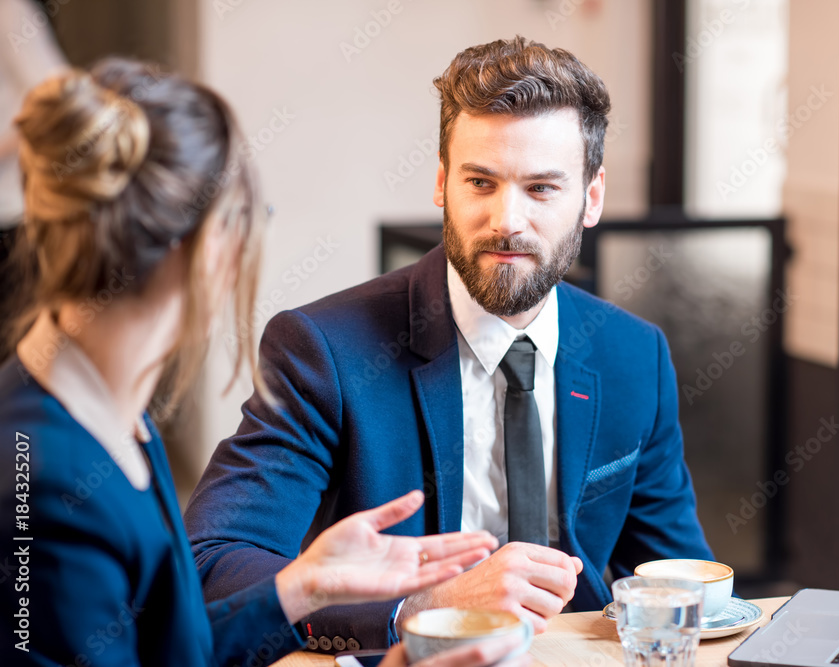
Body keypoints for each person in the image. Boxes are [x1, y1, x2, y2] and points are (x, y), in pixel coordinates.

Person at [184, 36, 714, 653]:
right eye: (481, 182)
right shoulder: (324, 350)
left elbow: (680, 580)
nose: (507, 219)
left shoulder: (633, 355)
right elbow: (209, 566)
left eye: (541, 188)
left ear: (591, 198)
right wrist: (419, 607)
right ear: (442, 184)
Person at [0, 58, 512, 667]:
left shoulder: (109, 414)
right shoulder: (46, 483)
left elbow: (166, 648)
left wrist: (304, 586)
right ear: (208, 245)